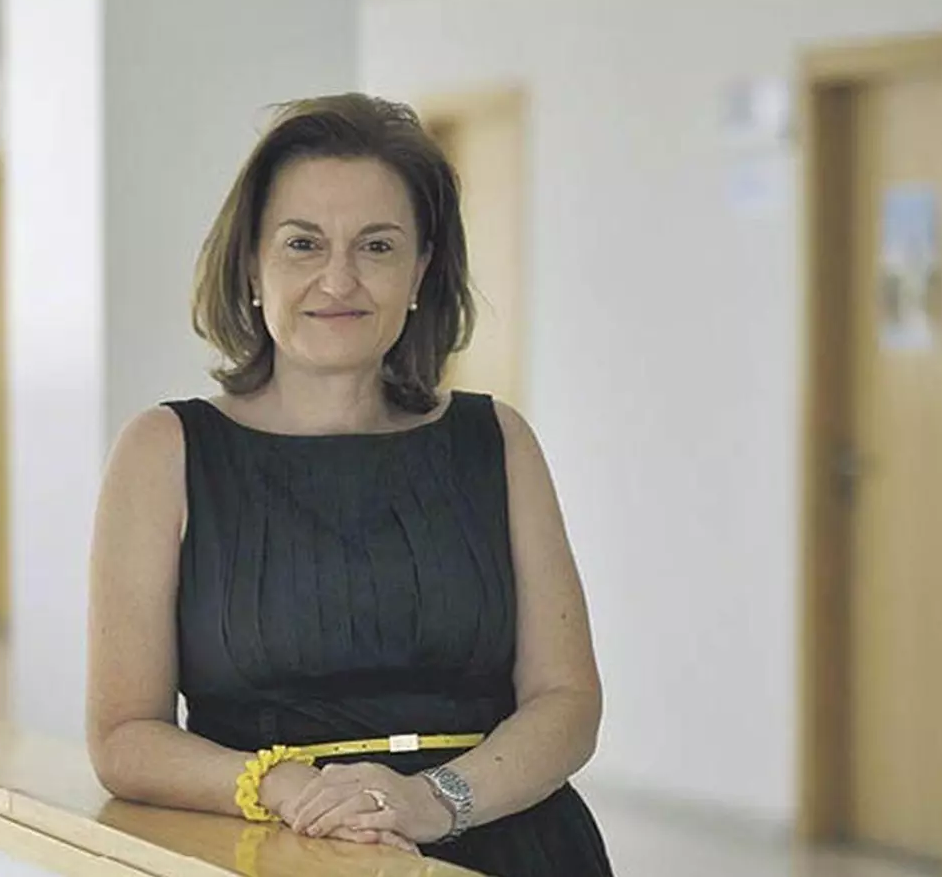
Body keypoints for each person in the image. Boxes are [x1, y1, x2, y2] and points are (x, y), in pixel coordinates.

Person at [86, 93, 613, 876]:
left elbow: (567, 701)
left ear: (421, 270)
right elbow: (124, 737)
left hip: (506, 844)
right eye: (303, 243)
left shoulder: (498, 440)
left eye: (377, 246)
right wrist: (289, 788)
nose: (339, 279)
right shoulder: (162, 452)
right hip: (273, 847)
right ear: (252, 265)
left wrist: (433, 800)